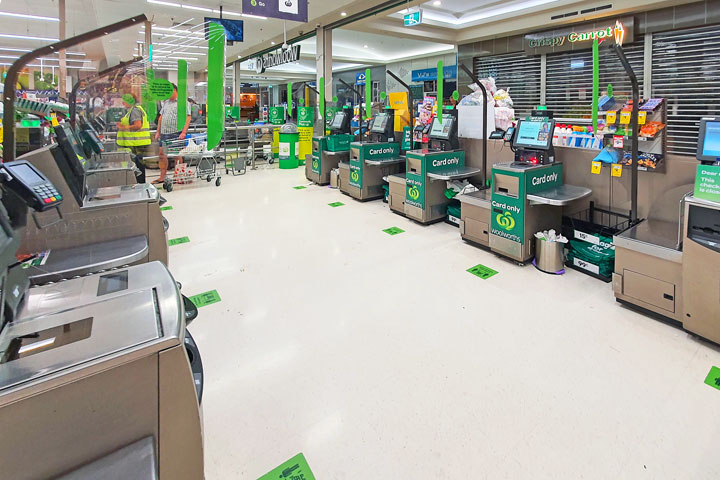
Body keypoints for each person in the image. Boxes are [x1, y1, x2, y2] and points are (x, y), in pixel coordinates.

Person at [154, 84, 191, 184]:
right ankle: (162, 176)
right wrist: (158, 131)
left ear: (174, 90)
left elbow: (188, 117)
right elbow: (161, 117)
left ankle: (177, 175)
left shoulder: (183, 102)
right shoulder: (166, 103)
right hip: (164, 133)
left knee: (176, 155)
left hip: (176, 132)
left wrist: (184, 132)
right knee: (162, 154)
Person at [116, 93, 151, 183]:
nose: (123, 103)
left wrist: (123, 127)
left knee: (138, 168)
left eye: (125, 101)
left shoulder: (135, 110)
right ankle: (139, 185)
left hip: (136, 144)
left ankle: (140, 185)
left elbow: (138, 125)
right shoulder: (133, 110)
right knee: (138, 167)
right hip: (135, 144)